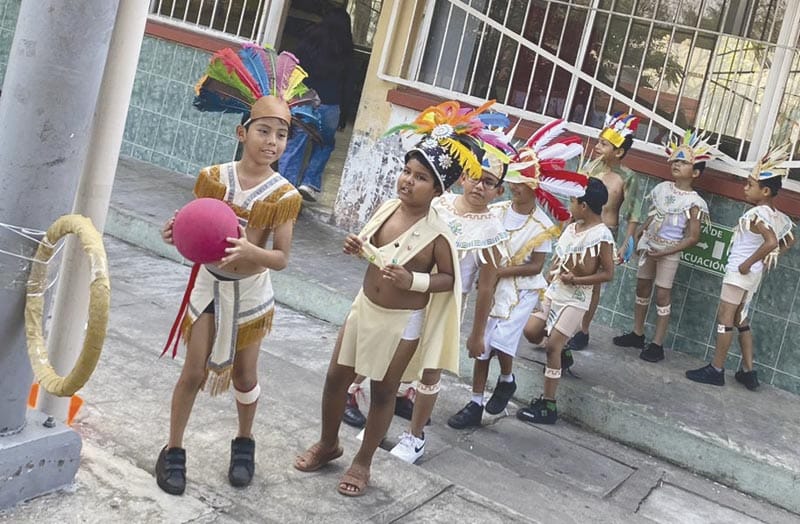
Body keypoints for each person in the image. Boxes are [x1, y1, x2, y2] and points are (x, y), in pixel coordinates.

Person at [293, 100, 495, 496]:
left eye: (420, 177)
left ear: (438, 189)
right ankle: (328, 443)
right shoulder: (388, 208)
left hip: (402, 323)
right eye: (406, 171)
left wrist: (412, 280)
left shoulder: (439, 234)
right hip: (364, 308)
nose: (408, 181)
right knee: (336, 378)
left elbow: (449, 279)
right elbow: (376, 250)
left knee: (383, 391)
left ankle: (362, 462)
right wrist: (358, 246)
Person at [155, 45, 316, 495]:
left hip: (250, 294)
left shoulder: (284, 195)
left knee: (246, 375)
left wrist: (251, 251)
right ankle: (172, 450)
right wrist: (174, 232)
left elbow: (281, 259)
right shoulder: (213, 177)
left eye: (281, 134)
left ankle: (244, 443)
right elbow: (194, 228)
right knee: (193, 371)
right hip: (208, 286)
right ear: (241, 131)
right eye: (263, 130)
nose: (272, 142)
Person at [447, 119, 586, 429]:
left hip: (522, 291)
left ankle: (505, 380)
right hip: (492, 286)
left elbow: (536, 267)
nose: (515, 185)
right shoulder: (496, 210)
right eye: (513, 179)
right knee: (484, 345)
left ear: (535, 185)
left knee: (501, 341)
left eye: (522, 181)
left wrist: (500, 271)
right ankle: (477, 401)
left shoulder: (542, 225)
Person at [388, 139, 512, 463]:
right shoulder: (439, 203)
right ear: (462, 177)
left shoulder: (492, 230)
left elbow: (486, 287)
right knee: (395, 359)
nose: (479, 186)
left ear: (499, 191)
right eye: (475, 177)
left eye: (489, 182)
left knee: (430, 370)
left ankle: (415, 437)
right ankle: (380, 423)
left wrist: (477, 334)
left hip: (449, 304)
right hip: (412, 292)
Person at [686, 144, 795, 388]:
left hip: (739, 273)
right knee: (740, 318)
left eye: (750, 184)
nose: (745, 188)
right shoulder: (778, 216)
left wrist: (747, 263)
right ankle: (748, 370)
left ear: (765, 190)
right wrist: (765, 261)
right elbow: (788, 239)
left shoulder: (756, 214)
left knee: (725, 317)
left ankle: (716, 369)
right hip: (752, 275)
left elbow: (771, 241)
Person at [517, 178, 615, 425]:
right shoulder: (572, 227)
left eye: (572, 201)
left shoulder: (602, 235)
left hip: (577, 297)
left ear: (584, 206)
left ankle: (548, 405)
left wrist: (577, 280)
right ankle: (564, 352)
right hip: (556, 290)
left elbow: (608, 273)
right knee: (531, 331)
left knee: (552, 347)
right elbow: (559, 258)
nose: (569, 206)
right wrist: (548, 278)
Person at [613, 131, 712, 362]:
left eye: (684, 163)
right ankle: (637, 333)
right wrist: (637, 236)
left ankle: (657, 344)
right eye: (675, 160)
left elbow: (692, 237)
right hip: (650, 246)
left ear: (695, 172)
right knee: (642, 287)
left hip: (669, 251)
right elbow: (652, 216)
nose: (677, 164)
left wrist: (666, 251)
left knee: (662, 294)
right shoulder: (662, 188)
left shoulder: (695, 202)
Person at [564, 112, 643, 353]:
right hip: (580, 228)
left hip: (606, 233)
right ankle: (562, 323)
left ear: (618, 152)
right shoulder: (590, 168)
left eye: (604, 144)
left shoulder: (629, 177)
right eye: (598, 142)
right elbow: (576, 199)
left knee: (594, 284)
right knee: (570, 274)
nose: (597, 147)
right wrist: (568, 224)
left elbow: (633, 213)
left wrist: (627, 242)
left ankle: (583, 329)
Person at [279, 7, 353, 202]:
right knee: (325, 144)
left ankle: (285, 189)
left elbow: (292, 66)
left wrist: (285, 96)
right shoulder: (346, 49)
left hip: (305, 101)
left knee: (295, 144)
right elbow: (348, 85)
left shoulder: (310, 39)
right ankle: (309, 183)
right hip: (331, 105)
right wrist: (344, 115)